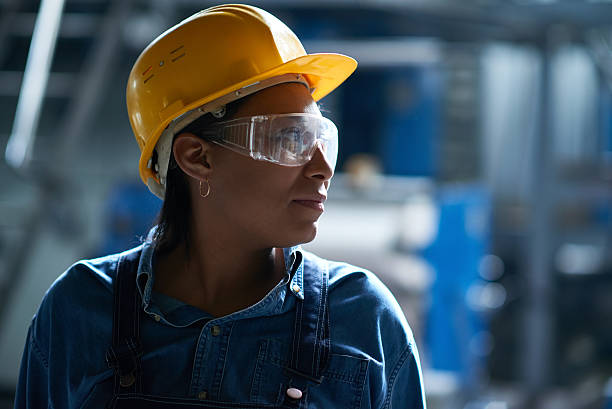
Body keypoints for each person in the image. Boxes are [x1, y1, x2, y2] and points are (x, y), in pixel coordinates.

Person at [14, 4, 426, 408]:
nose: (322, 169)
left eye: (321, 140)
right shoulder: (80, 310)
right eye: (289, 139)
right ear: (197, 157)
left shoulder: (363, 320)